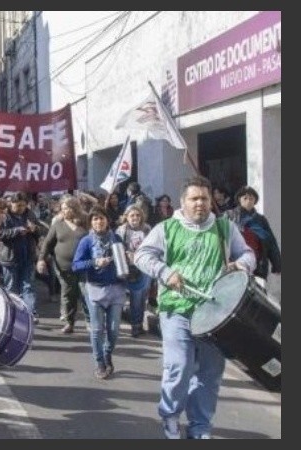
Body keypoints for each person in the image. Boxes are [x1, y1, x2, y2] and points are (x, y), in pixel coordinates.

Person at [134, 176, 255, 439]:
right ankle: (170, 416)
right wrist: (166, 273)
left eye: (204, 198)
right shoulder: (166, 228)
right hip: (177, 309)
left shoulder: (225, 227)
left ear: (211, 200)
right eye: (194, 198)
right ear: (183, 202)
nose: (200, 203)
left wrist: (240, 265)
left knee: (210, 374)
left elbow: (248, 254)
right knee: (179, 366)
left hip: (216, 314)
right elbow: (142, 255)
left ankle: (200, 425)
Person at [72, 206, 126, 380]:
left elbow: (125, 263)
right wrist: (95, 262)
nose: (99, 221)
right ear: (91, 222)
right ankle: (100, 363)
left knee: (113, 329)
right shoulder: (86, 241)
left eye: (101, 218)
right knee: (97, 330)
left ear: (107, 220)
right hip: (94, 288)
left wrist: (129, 258)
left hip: (116, 288)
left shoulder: (116, 238)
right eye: (95, 219)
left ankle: (107, 353)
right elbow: (76, 265)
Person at [37, 194, 89, 334]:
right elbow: (47, 243)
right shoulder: (57, 225)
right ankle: (69, 322)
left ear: (74, 208)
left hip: (84, 266)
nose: (64, 211)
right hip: (64, 266)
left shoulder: (84, 222)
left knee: (86, 293)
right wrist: (41, 259)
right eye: (63, 208)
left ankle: (90, 321)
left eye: (67, 208)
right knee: (68, 294)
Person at [0, 192, 42, 322]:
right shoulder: (4, 216)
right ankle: (11, 313)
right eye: (18, 205)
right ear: (11, 204)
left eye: (23, 205)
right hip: (10, 259)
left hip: (27, 256)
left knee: (28, 286)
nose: (20, 208)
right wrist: (16, 231)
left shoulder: (30, 214)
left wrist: (34, 229)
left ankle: (31, 313)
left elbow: (39, 232)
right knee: (11, 287)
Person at [224, 186, 281, 281]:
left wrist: (277, 264)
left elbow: (271, 241)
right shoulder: (229, 216)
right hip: (236, 263)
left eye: (251, 198)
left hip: (257, 264)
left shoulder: (261, 220)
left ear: (255, 201)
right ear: (239, 200)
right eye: (245, 198)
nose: (248, 201)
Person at [115, 204, 151, 337]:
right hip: (127, 268)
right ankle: (134, 325)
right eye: (132, 215)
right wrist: (126, 253)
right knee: (134, 297)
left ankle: (138, 324)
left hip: (144, 268)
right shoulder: (121, 230)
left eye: (137, 215)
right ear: (127, 217)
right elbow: (116, 247)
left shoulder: (147, 229)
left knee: (141, 298)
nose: (135, 218)